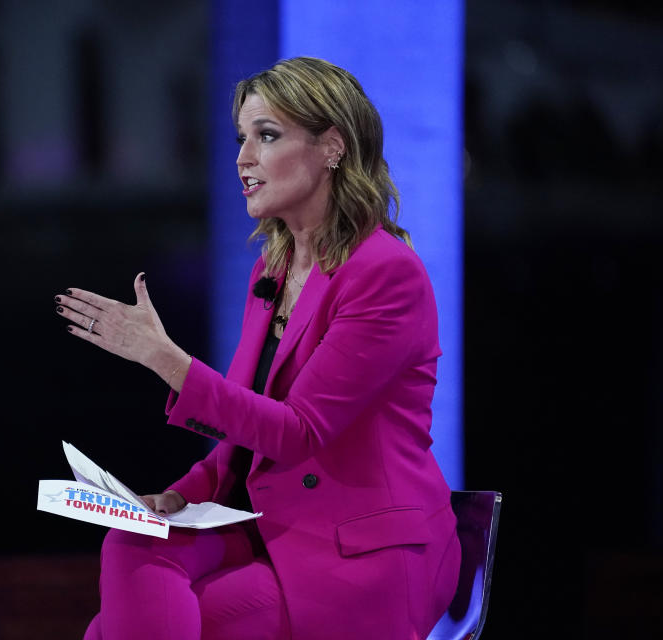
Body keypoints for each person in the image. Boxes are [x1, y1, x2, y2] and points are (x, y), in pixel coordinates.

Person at [54, 56, 460, 640]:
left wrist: (162, 357)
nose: (243, 160)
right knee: (133, 541)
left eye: (266, 137)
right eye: (243, 138)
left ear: (332, 148)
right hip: (275, 530)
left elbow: (296, 431)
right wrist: (177, 496)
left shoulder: (385, 273)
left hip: (362, 554)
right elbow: (246, 436)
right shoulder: (273, 270)